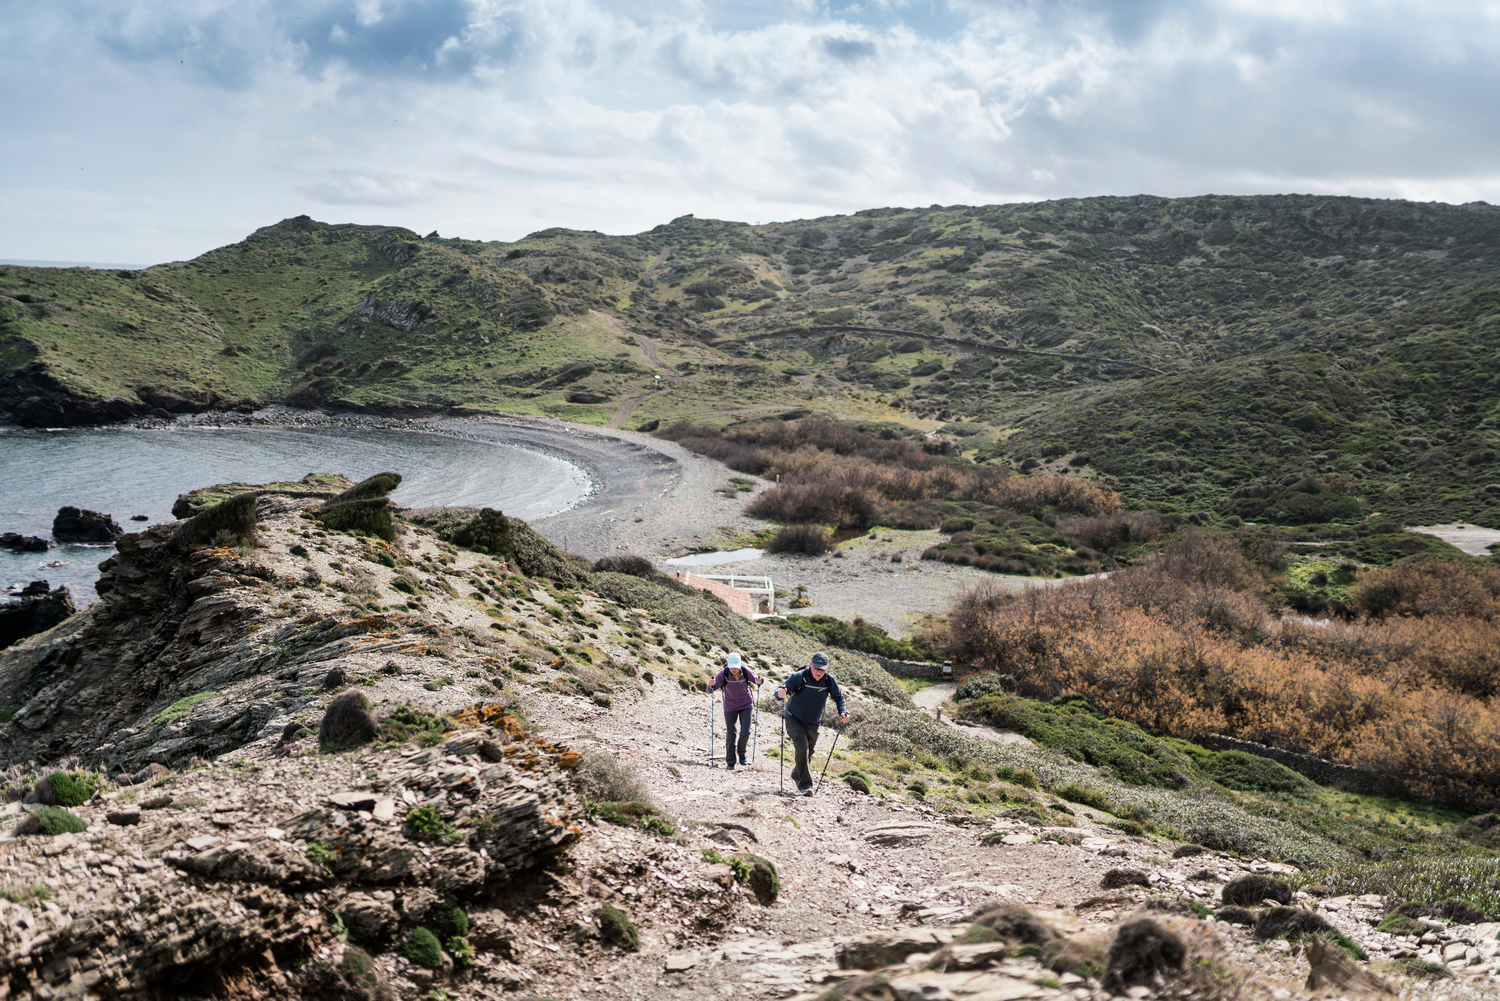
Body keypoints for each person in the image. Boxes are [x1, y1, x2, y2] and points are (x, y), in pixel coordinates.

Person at [774, 652, 849, 795]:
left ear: (826, 668)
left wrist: (843, 712)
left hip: (813, 724)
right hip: (793, 719)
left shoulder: (828, 680)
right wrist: (779, 694)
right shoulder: (799, 677)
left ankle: (796, 773)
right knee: (802, 750)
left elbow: (839, 697)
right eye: (816, 668)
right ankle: (805, 786)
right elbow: (780, 689)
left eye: (822, 669)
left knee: (808, 754)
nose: (819, 672)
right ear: (810, 665)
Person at [709, 653, 761, 770]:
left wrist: (760, 681)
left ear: (740, 665)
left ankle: (741, 753)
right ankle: (730, 761)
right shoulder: (724, 673)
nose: (733, 669)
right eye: (732, 667)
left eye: (736, 667)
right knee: (731, 733)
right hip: (730, 706)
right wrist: (710, 685)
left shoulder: (745, 671)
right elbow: (710, 689)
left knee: (745, 732)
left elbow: (756, 680)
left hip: (746, 704)